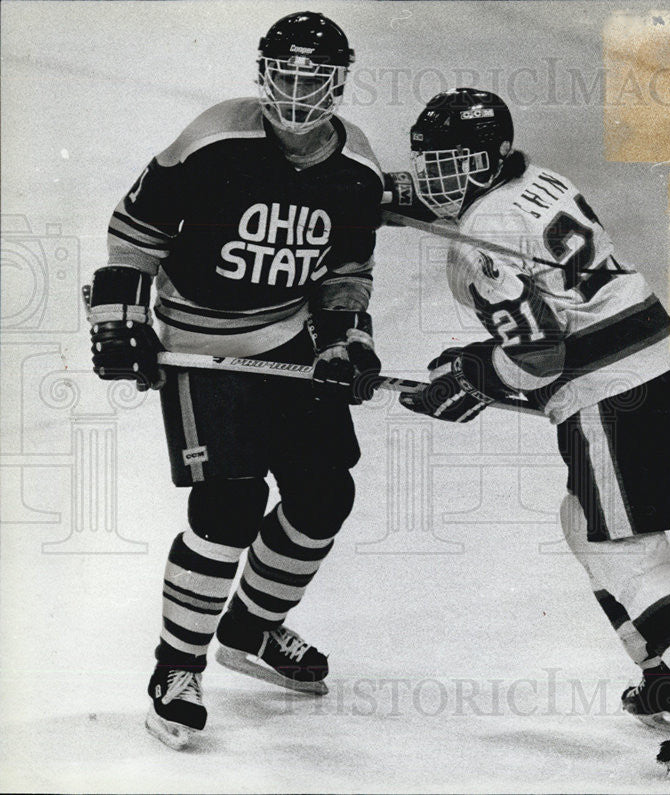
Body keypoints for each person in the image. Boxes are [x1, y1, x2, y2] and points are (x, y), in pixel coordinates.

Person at [384, 88, 670, 780]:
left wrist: (474, 376)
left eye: (457, 162)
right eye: (433, 162)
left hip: (611, 390)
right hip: (658, 363)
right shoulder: (537, 183)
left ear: (492, 157)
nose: (441, 176)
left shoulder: (483, 244)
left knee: (621, 546)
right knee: (581, 520)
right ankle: (664, 671)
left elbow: (539, 356)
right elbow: (513, 248)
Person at [86, 11, 384, 750]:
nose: (296, 91)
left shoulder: (358, 169)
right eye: (284, 74)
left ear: (339, 83)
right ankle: (175, 666)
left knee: (325, 493)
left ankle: (251, 629)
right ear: (263, 74)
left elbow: (345, 275)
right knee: (231, 505)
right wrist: (121, 320)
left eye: (313, 78)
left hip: (288, 342)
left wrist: (347, 341)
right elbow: (134, 234)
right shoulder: (215, 138)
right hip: (198, 344)